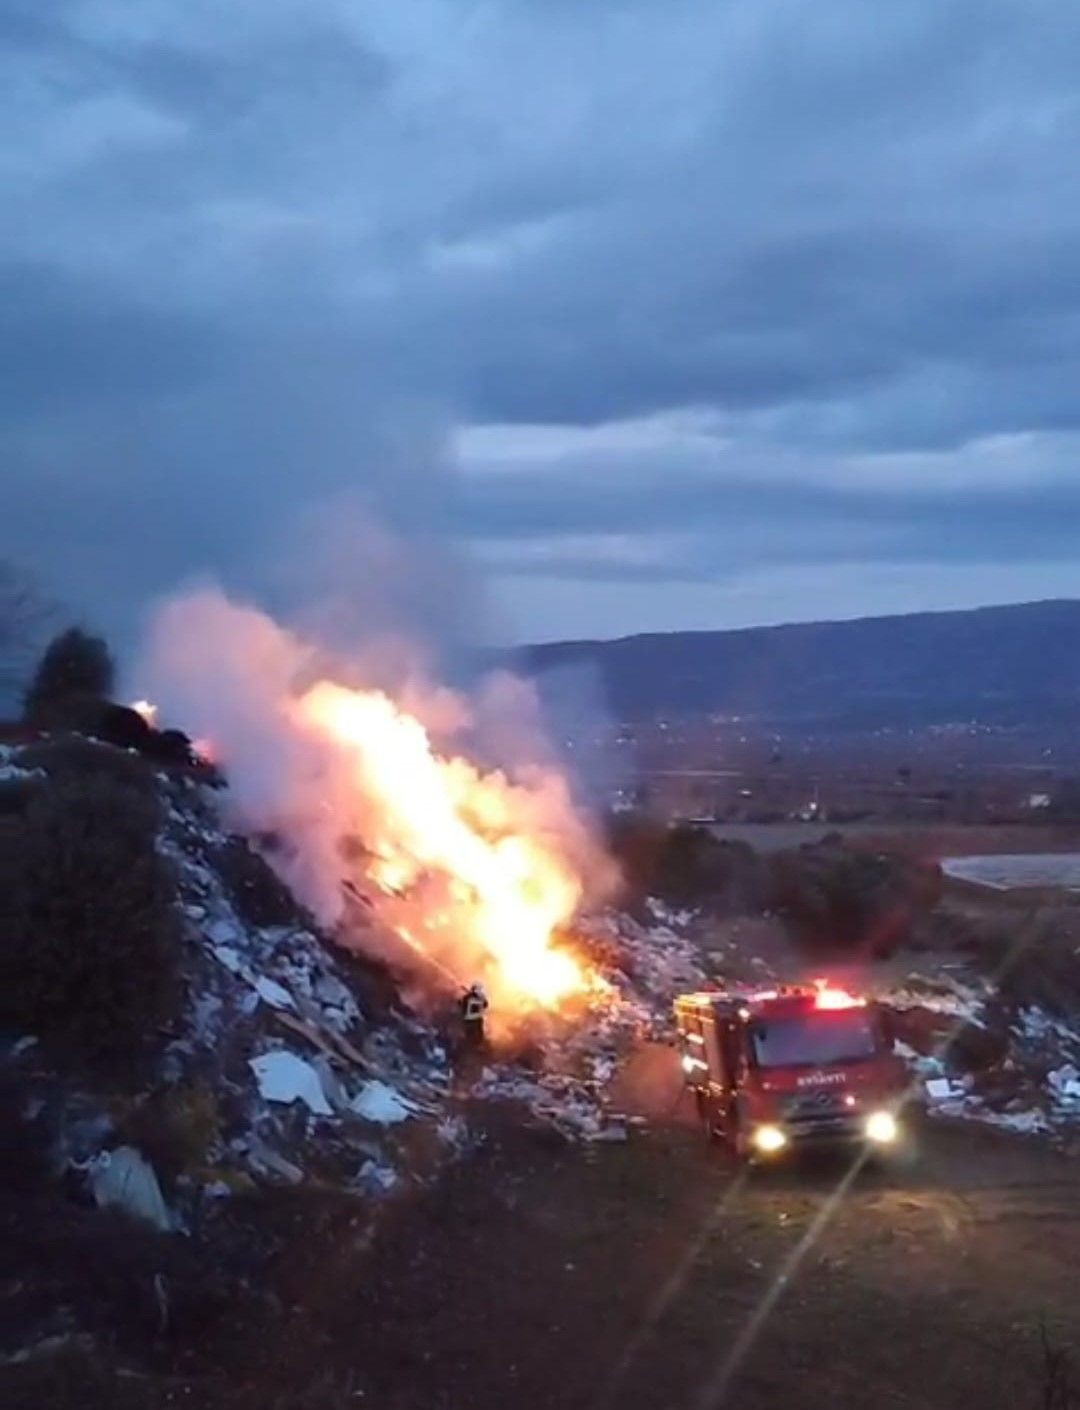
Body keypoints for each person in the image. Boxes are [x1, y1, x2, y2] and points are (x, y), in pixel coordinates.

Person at [460, 982, 489, 1050]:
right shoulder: (469, 997)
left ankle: (477, 1045)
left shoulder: (471, 997)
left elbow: (485, 1004)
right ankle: (476, 1045)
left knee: (476, 1032)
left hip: (473, 1019)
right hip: (472, 1019)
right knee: (475, 1033)